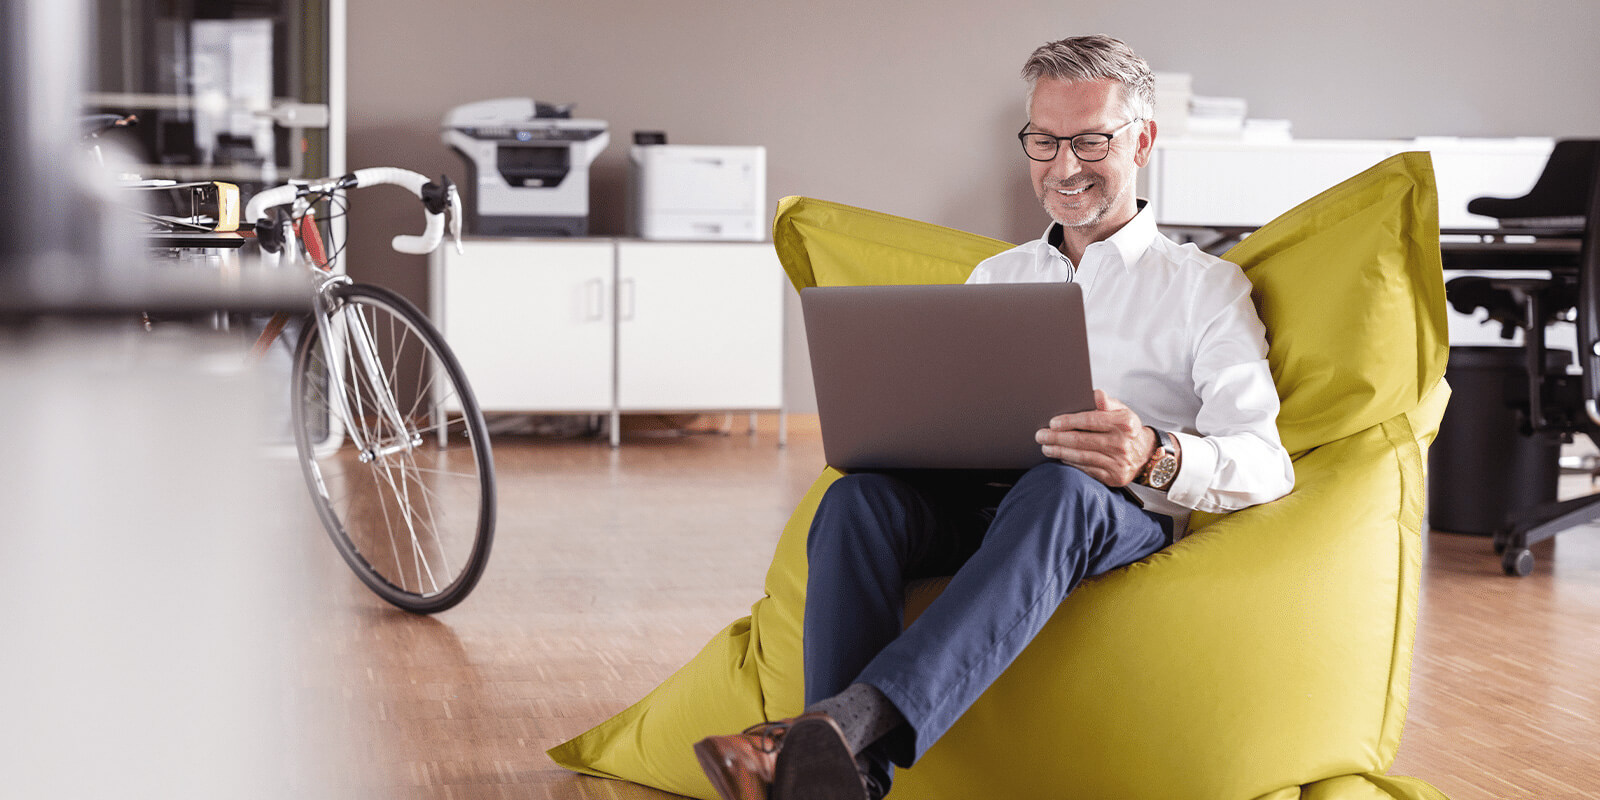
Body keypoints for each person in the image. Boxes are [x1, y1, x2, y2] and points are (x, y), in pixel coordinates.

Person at [693, 34, 1296, 800]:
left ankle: (833, 728)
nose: (1064, 167)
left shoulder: (1205, 288)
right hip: (981, 500)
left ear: (1142, 140)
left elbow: (1266, 460)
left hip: (1108, 511)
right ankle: (844, 780)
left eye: (1089, 141)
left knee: (1060, 487)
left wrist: (1153, 453)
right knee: (857, 501)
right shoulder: (997, 275)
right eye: (1044, 141)